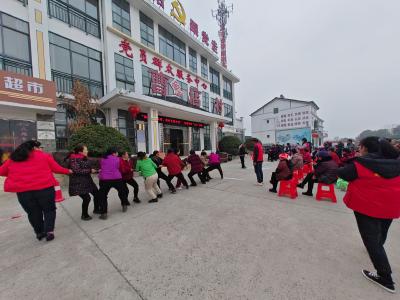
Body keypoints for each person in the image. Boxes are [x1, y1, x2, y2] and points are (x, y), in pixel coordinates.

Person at [337, 137, 400, 293]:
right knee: (382, 232)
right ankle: (379, 249)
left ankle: (385, 278)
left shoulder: (362, 164)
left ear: (365, 148)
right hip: (391, 206)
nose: (359, 149)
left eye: (360, 147)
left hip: (367, 206)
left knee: (372, 242)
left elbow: (343, 174)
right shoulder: (396, 163)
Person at [0, 141, 71, 241]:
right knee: (49, 210)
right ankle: (49, 231)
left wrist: (17, 175)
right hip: (45, 189)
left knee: (33, 213)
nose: (41, 149)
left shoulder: (14, 159)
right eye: (39, 147)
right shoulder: (44, 156)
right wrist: (68, 171)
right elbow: (56, 169)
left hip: (24, 193)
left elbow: (1, 171)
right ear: (34, 148)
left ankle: (40, 232)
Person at [67, 145, 99, 221]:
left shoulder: (84, 157)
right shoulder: (73, 159)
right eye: (86, 150)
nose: (87, 151)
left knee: (97, 194)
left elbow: (87, 166)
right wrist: (90, 171)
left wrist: (95, 169)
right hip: (78, 183)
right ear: (80, 152)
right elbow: (77, 170)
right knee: (87, 198)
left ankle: (96, 209)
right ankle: (84, 215)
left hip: (87, 181)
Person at [98, 147, 130, 220]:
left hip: (105, 179)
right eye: (117, 152)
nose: (118, 154)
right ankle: (124, 205)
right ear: (113, 153)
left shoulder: (102, 159)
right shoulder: (118, 159)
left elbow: (102, 168)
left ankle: (104, 213)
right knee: (122, 192)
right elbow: (120, 168)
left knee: (103, 196)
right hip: (117, 178)